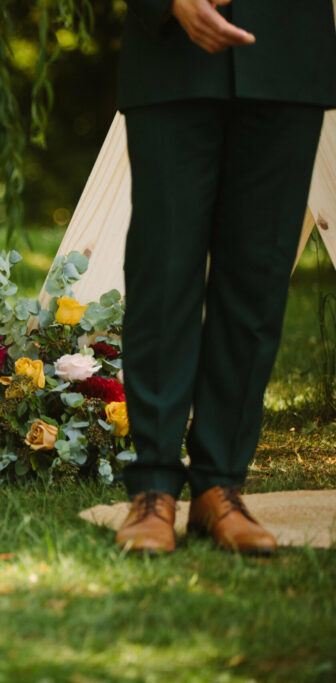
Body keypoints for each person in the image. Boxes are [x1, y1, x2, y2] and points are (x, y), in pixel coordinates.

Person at [114, 0, 336, 554]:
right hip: (170, 56)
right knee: (161, 274)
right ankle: (155, 489)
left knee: (256, 280)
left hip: (287, 49)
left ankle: (220, 486)